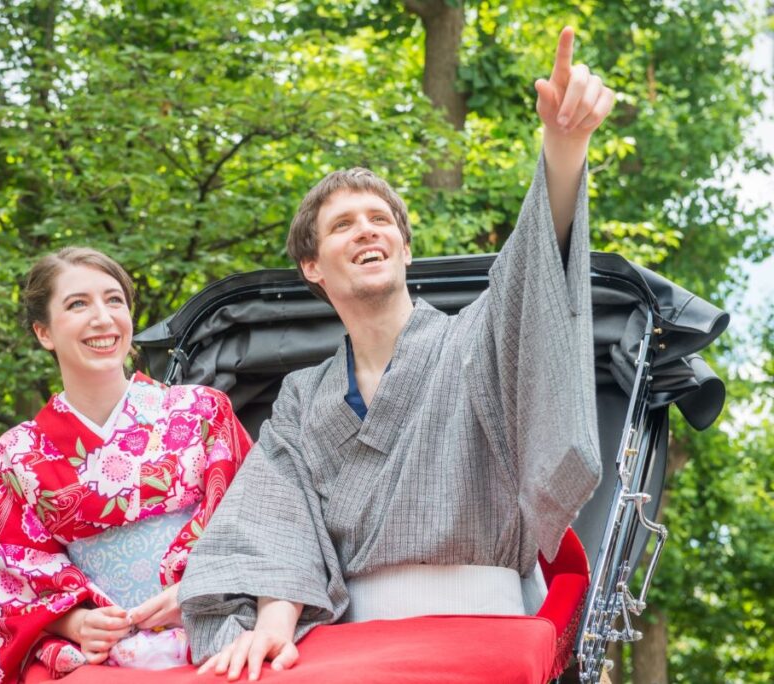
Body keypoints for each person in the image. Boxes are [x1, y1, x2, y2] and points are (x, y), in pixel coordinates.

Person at [179, 27, 611, 681]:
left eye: (381, 219)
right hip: (352, 651)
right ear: (312, 267)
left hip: (488, 638)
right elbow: (275, 515)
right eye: (343, 225)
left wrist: (563, 147)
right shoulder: (303, 397)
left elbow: (530, 279)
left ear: (405, 248)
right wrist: (272, 620)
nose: (367, 230)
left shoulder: (474, 341)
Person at [0, 247, 252, 684]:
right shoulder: (19, 452)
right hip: (100, 656)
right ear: (44, 332)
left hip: (213, 630)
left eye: (114, 300)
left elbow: (259, 523)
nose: (102, 318)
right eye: (78, 304)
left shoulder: (202, 412)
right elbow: (8, 579)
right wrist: (73, 623)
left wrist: (197, 589)